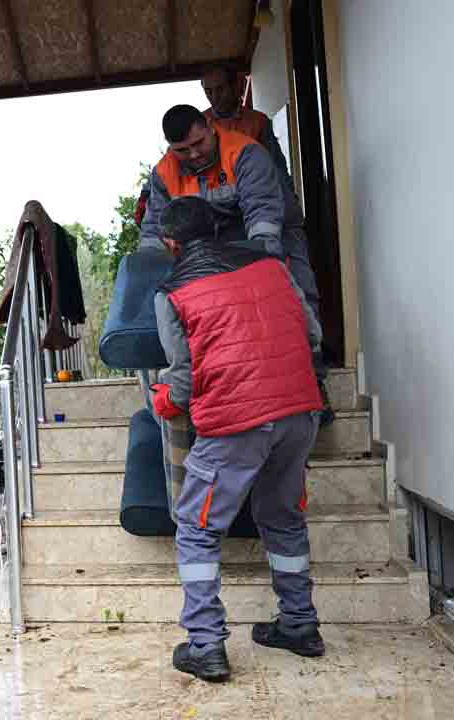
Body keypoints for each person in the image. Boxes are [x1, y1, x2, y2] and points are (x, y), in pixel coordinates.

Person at [151, 196, 325, 683]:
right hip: (298, 412)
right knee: (283, 516)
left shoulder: (172, 293)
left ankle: (205, 645)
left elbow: (183, 380)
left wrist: (164, 399)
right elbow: (310, 333)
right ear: (218, 229)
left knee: (197, 528)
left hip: (236, 423)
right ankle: (300, 625)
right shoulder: (272, 266)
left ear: (170, 243)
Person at [138, 103, 333, 424]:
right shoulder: (164, 173)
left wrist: (258, 277)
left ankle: (314, 384)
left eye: (199, 144)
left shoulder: (246, 154)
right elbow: (154, 231)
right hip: (209, 241)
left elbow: (264, 222)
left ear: (210, 128)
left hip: (265, 232)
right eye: (182, 150)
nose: (194, 155)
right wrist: (150, 275)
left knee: (291, 289)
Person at [200, 65, 290, 177]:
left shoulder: (258, 121)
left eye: (220, 89)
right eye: (208, 91)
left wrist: (288, 193)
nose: (214, 97)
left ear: (234, 87)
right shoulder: (199, 123)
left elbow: (277, 166)